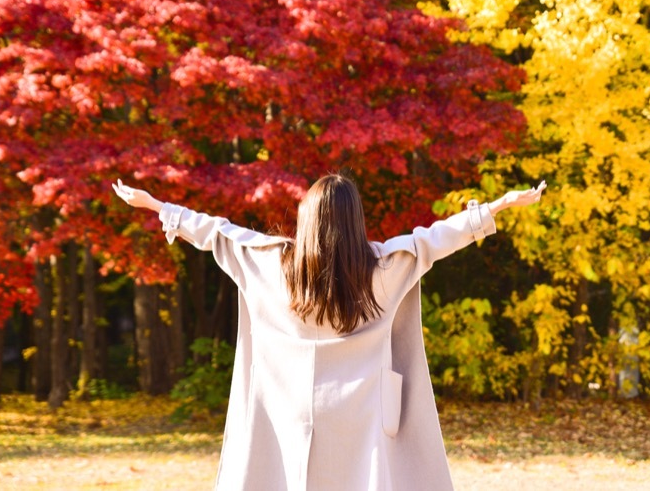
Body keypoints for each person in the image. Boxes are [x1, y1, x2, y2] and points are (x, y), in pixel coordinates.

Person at [112, 174, 545, 491]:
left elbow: (218, 233)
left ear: (306, 219)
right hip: (363, 415)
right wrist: (497, 207)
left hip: (287, 410)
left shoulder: (271, 265)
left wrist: (158, 207)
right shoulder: (384, 269)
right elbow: (435, 239)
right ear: (355, 221)